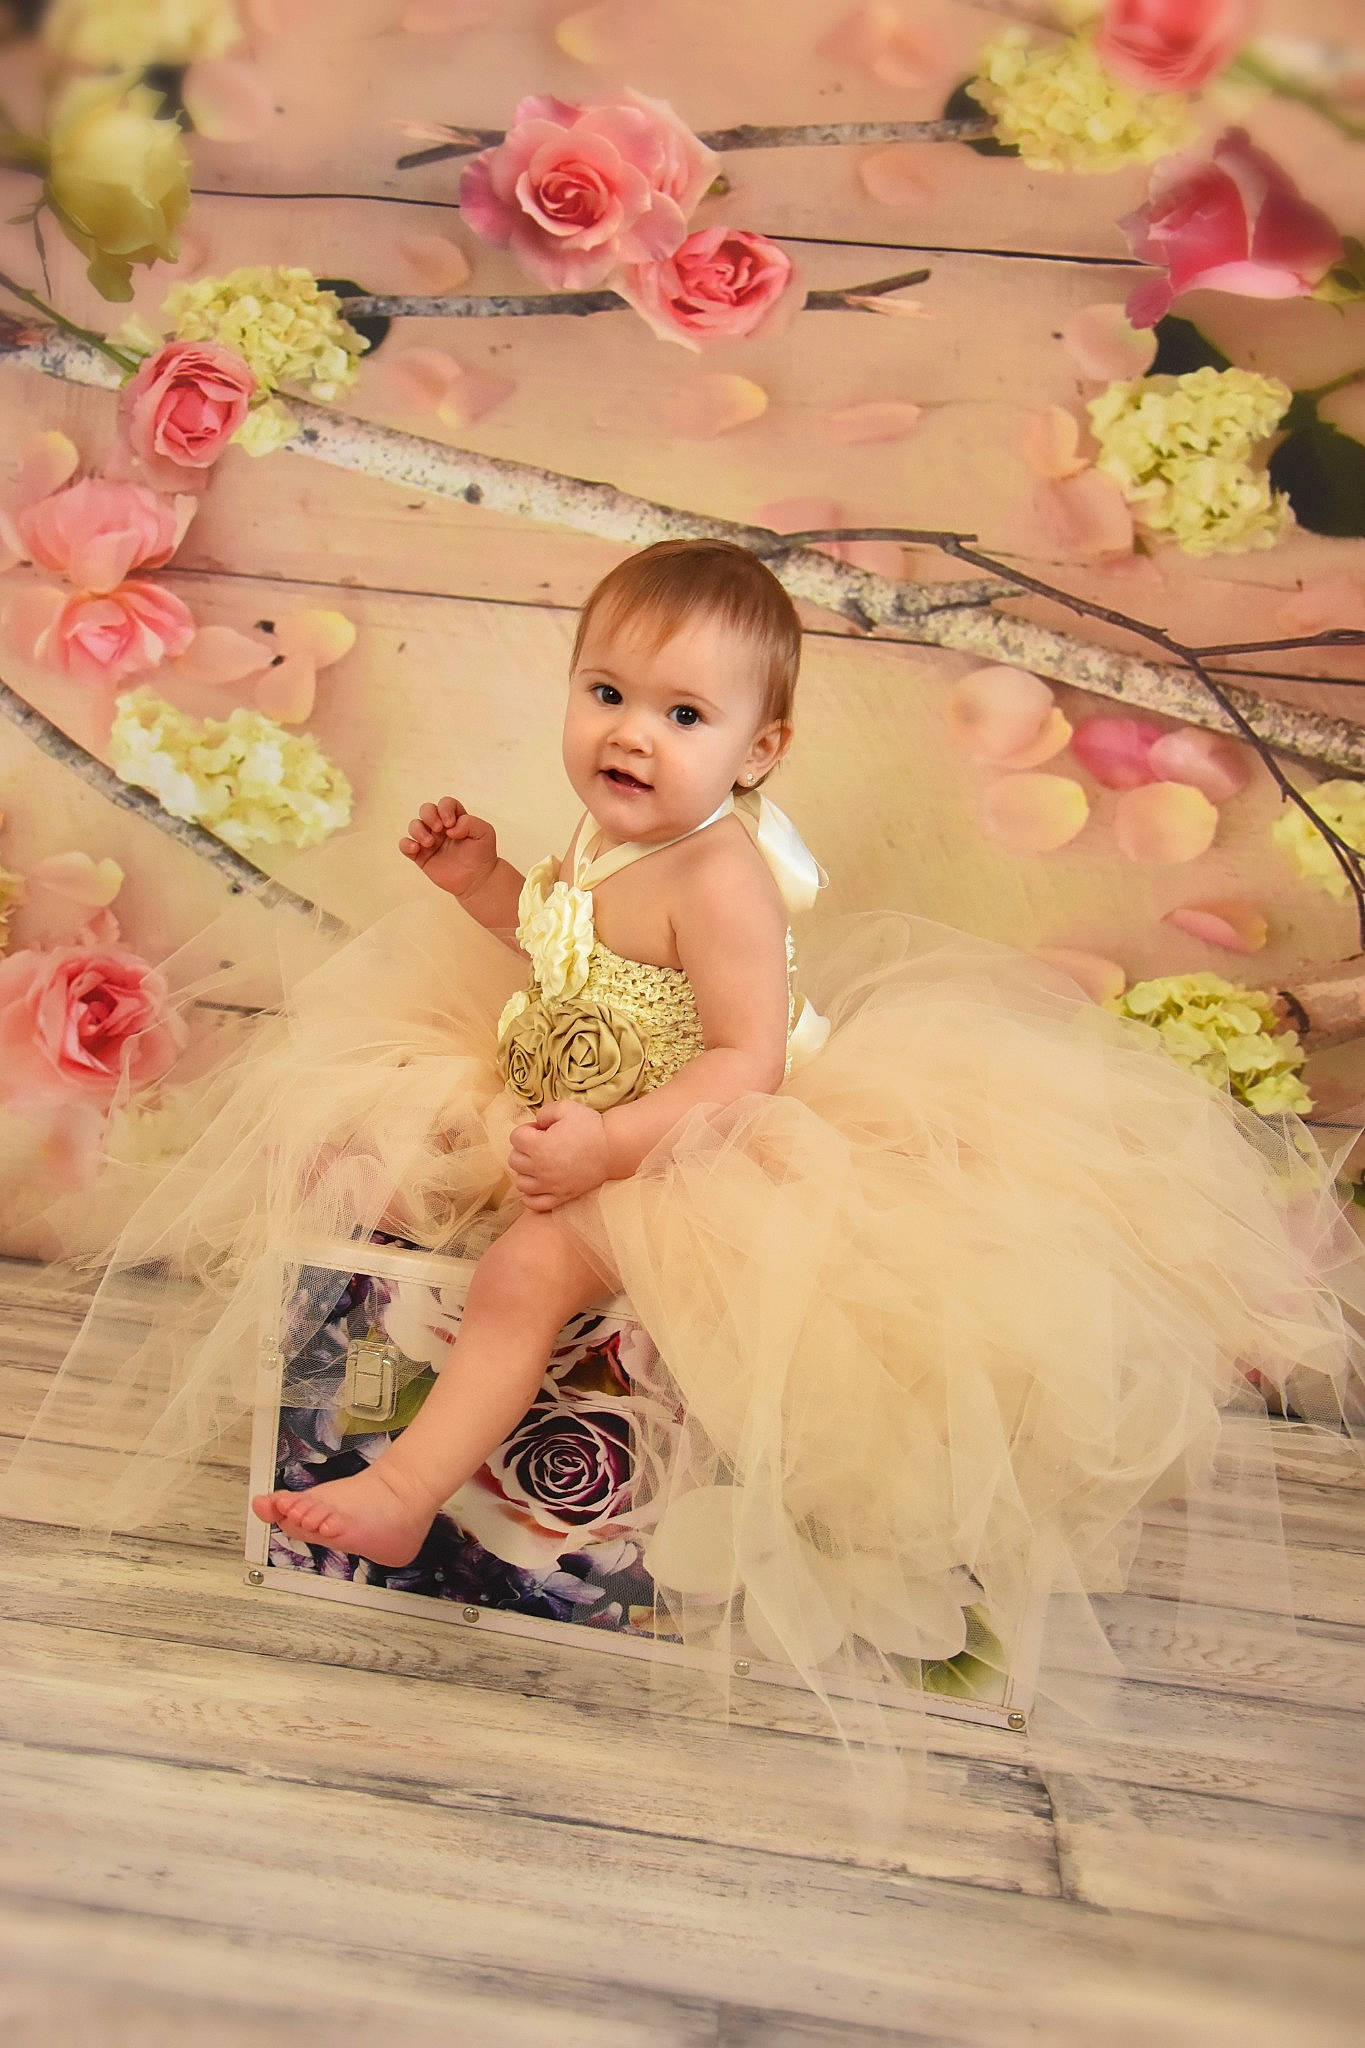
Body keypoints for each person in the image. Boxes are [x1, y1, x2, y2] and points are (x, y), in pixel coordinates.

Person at [5, 537, 1364, 1770]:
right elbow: (558, 952)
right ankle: (394, 1380)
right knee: (392, 1172)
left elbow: (742, 1065)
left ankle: (406, 1489)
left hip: (696, 1145)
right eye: (605, 694)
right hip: (574, 1104)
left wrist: (609, 1145)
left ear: (758, 751)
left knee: (531, 1271)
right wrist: (483, 880)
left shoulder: (719, 879)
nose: (631, 735)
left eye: (682, 715)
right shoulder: (604, 842)